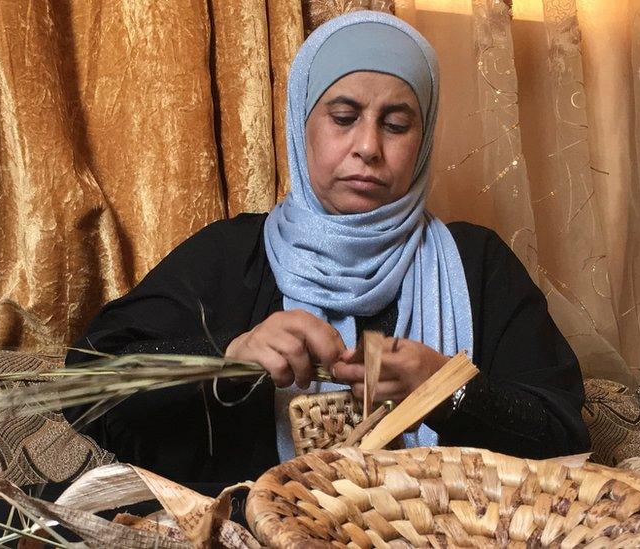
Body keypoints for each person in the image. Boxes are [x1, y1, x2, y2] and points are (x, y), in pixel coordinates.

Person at [64, 10, 589, 492]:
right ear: (301, 125)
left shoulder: (478, 263)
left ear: (423, 140)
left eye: (396, 124)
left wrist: (445, 389)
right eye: (343, 117)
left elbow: (563, 435)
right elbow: (87, 383)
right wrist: (226, 356)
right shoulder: (232, 254)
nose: (368, 146)